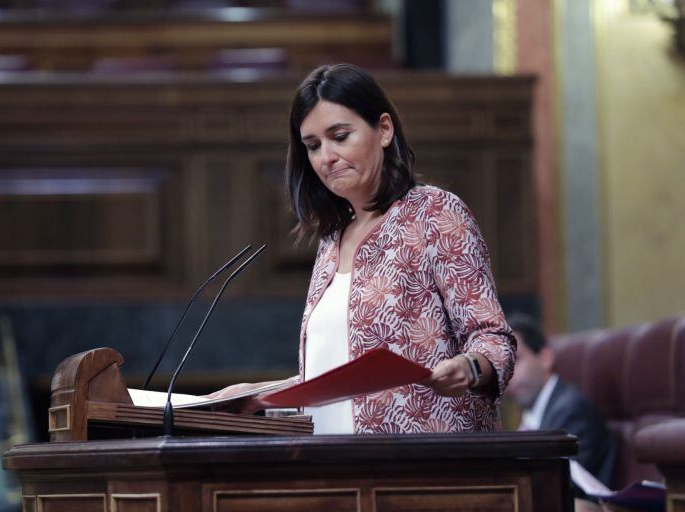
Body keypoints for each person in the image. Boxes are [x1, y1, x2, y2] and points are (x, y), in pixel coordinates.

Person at [210, 63, 516, 434]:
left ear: (384, 130)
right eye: (313, 145)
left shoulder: (435, 213)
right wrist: (261, 394)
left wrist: (469, 367)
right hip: (336, 465)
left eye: (340, 136)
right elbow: (340, 375)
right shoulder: (331, 239)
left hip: (427, 464)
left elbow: (494, 338)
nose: (326, 157)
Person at [506, 312, 616, 487]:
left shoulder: (572, 410)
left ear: (545, 358)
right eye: (503, 368)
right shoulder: (532, 416)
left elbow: (563, 490)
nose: (508, 377)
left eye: (516, 361)